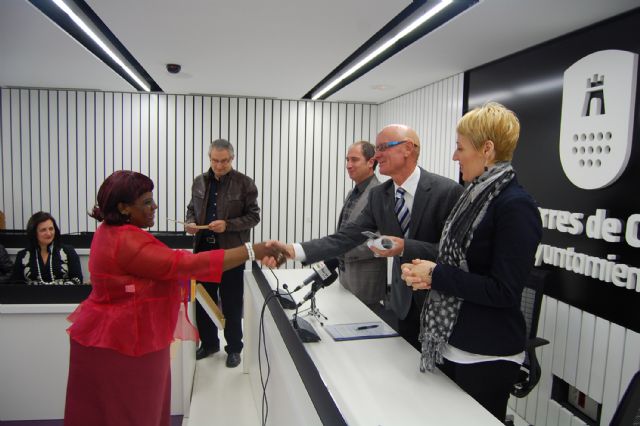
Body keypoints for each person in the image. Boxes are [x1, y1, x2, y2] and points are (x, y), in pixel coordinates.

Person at [64, 170, 284, 426]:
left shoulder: (111, 231)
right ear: (124, 208)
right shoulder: (126, 240)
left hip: (115, 338)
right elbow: (186, 265)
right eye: (146, 202)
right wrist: (252, 250)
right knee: (134, 413)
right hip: (124, 344)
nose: (154, 206)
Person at [401, 102, 542, 421]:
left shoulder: (516, 207)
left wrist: (436, 275)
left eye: (460, 147)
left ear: (487, 149)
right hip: (451, 342)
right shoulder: (473, 197)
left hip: (486, 355)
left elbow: (503, 291)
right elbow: (463, 262)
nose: (454, 156)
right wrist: (426, 271)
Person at [271, 124, 463, 350]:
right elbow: (346, 237)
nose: (377, 154)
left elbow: (455, 253)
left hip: (442, 305)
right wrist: (295, 250)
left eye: (383, 147)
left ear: (408, 148)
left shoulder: (447, 191)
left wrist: (404, 247)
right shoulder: (380, 196)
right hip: (403, 303)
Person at [185, 139, 260, 367]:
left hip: (231, 253)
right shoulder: (199, 182)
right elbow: (191, 209)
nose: (219, 165)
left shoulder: (245, 183)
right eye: (215, 161)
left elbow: (254, 217)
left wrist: (228, 224)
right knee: (204, 300)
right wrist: (190, 222)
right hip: (204, 250)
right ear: (210, 158)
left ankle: (234, 348)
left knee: (232, 302)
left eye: (224, 161)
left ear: (232, 159)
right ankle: (208, 344)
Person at [337, 141, 386, 309]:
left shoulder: (381, 194)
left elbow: (382, 239)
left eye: (354, 160)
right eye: (347, 160)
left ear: (371, 162)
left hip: (366, 280)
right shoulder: (353, 193)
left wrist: (342, 249)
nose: (348, 165)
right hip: (345, 274)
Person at [10, 211, 83, 285]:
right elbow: (15, 284)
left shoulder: (68, 251)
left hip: (64, 295)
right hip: (31, 296)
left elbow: (78, 279)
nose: (48, 233)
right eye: (43, 230)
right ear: (34, 233)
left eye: (51, 229)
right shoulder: (22, 255)